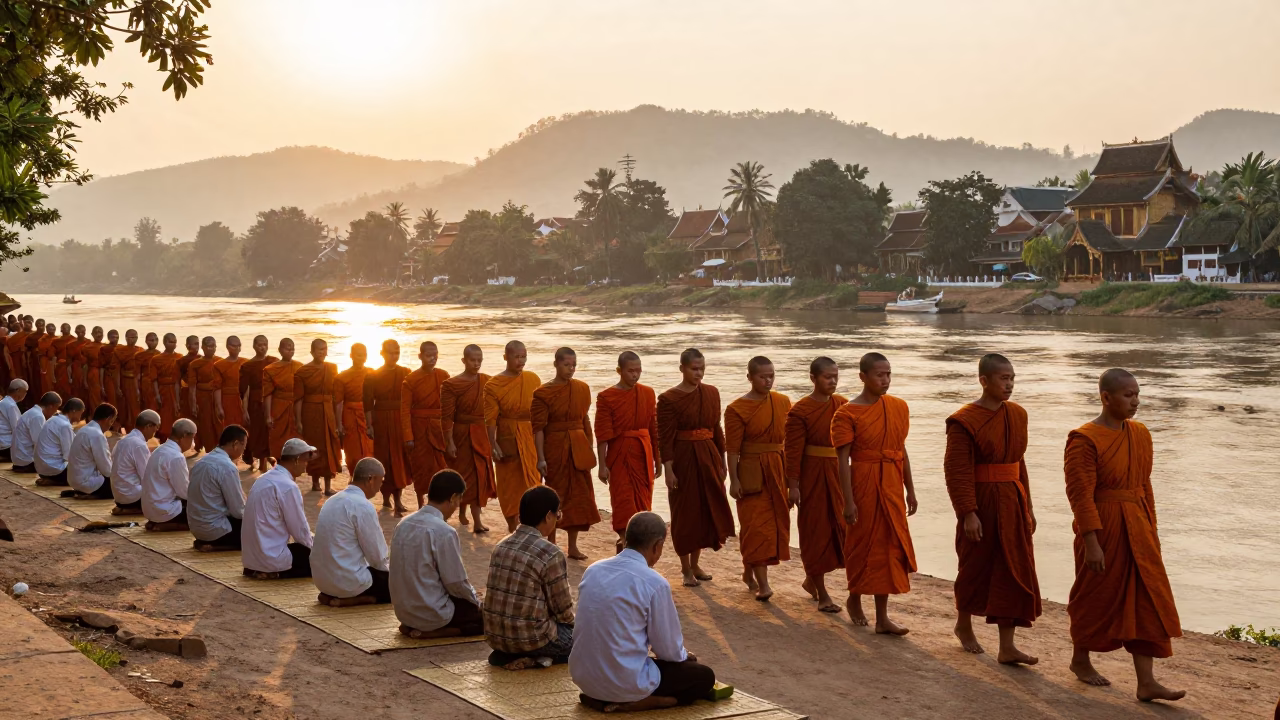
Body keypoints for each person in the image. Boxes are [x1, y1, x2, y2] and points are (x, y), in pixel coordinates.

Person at [1065, 369, 1184, 702]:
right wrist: (1091, 541)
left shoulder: (1141, 433)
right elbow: (1080, 494)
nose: (1135, 401)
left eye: (1137, 394)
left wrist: (1153, 530)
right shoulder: (1084, 438)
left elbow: (1145, 485)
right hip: (1104, 527)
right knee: (1094, 595)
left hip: (1138, 522)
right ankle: (1080, 659)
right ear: (1106, 397)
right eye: (1128, 395)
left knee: (1147, 598)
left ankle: (1146, 682)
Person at [945, 354, 1041, 664]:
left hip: (1012, 499)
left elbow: (1019, 463)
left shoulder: (1018, 415)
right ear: (984, 381)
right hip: (982, 501)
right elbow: (956, 470)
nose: (1009, 384)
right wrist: (967, 512)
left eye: (1012, 378)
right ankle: (963, 624)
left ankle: (1007, 646)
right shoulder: (964, 420)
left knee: (1013, 569)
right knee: (975, 566)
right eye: (1003, 378)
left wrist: (1028, 506)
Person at [571, 512, 716, 713]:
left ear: (625, 539)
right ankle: (646, 702)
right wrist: (684, 655)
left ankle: (602, 698)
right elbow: (668, 651)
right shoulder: (654, 582)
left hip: (584, 678)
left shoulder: (594, 570)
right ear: (658, 545)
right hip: (624, 683)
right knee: (703, 676)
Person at [832, 352, 917, 635]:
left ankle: (883, 618)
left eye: (889, 374)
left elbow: (901, 450)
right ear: (863, 377)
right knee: (863, 546)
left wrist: (911, 490)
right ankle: (855, 595)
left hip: (892, 482)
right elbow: (843, 460)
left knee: (889, 548)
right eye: (879, 375)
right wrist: (848, 501)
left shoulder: (898, 407)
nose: (885, 380)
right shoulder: (847, 413)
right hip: (864, 482)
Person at [657, 348, 734, 588]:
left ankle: (696, 564)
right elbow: (665, 437)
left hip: (708, 456)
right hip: (683, 457)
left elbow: (716, 429)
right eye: (694, 368)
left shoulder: (711, 393)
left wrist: (722, 460)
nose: (698, 373)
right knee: (684, 513)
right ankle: (685, 569)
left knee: (704, 511)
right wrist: (668, 469)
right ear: (682, 368)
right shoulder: (669, 399)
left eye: (702, 369)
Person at [483, 485, 575, 670]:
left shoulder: (501, 546)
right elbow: (563, 611)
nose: (557, 520)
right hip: (532, 637)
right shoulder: (550, 553)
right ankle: (539, 658)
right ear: (549, 515)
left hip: (495, 637)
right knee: (588, 641)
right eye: (557, 515)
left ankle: (516, 655)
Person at [725, 356, 792, 602]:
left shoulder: (783, 402)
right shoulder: (736, 409)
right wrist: (733, 480)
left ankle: (748, 571)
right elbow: (732, 449)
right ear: (750, 377)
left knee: (772, 527)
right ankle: (764, 585)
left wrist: (792, 479)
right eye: (763, 376)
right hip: (751, 473)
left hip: (777, 469)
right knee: (754, 527)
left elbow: (791, 441)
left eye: (772, 375)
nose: (768, 380)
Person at [784, 357, 848, 613]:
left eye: (835, 376)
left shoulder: (843, 405)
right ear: (813, 378)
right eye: (826, 377)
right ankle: (822, 593)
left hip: (838, 474)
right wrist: (793, 485)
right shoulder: (800, 410)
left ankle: (811, 581)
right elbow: (792, 451)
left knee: (841, 529)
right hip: (812, 475)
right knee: (815, 532)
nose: (832, 381)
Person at [391, 469, 484, 638]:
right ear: (453, 497)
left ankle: (413, 626)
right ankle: (434, 632)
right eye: (458, 501)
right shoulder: (444, 531)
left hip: (403, 612)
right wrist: (475, 601)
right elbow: (455, 583)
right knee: (486, 620)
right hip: (432, 614)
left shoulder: (403, 524)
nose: (457, 507)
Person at [532, 347, 599, 560]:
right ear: (556, 364)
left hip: (578, 448)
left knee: (579, 497)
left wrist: (589, 445)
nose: (570, 369)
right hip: (555, 448)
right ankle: (551, 544)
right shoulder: (543, 393)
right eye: (566, 365)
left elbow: (585, 419)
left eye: (573, 365)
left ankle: (572, 546)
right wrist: (540, 457)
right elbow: (538, 428)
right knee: (555, 496)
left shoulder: (582, 388)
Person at [594, 351, 661, 553]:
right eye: (631, 371)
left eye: (638, 371)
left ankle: (636, 548)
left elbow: (654, 429)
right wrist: (602, 466)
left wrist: (658, 459)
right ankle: (625, 543)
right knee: (623, 503)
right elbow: (602, 435)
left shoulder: (648, 393)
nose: (635, 375)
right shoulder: (606, 397)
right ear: (619, 371)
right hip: (620, 455)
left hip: (643, 453)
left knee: (643, 503)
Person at [311, 457, 391, 606]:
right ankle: (359, 599)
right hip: (348, 583)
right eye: (380, 482)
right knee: (399, 585)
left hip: (321, 581)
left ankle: (333, 595)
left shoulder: (332, 500)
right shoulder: (363, 506)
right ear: (371, 479)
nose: (380, 488)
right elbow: (378, 558)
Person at [484, 340, 542, 532]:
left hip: (530, 437)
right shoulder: (493, 385)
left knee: (533, 484)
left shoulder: (533, 379)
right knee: (509, 488)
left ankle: (532, 527)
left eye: (524, 356)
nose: (521, 361)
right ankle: (512, 526)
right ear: (505, 357)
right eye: (516, 357)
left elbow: (540, 412)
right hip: (507, 438)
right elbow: (490, 419)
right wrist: (493, 445)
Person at [242, 437, 315, 579]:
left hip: (251, 559)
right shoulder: (288, 486)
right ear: (296, 460)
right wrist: (315, 550)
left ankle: (262, 569)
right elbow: (300, 531)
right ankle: (274, 572)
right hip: (272, 556)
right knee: (322, 562)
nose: (306, 467)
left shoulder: (263, 479)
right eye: (305, 461)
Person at [441, 344, 496, 533]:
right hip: (462, 434)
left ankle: (477, 521)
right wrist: (449, 441)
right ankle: (458, 511)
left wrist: (494, 439)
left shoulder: (487, 382)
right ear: (464, 360)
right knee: (461, 476)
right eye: (473, 360)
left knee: (480, 477)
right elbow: (447, 416)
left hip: (481, 435)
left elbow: (494, 410)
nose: (476, 363)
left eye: (479, 360)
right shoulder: (452, 384)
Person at [364, 338, 411, 514]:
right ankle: (385, 498)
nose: (394, 356)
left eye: (397, 352)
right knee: (384, 459)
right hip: (381, 420)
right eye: (390, 352)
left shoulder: (405, 373)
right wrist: (369, 425)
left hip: (400, 420)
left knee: (399, 459)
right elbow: (368, 403)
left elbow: (410, 400)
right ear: (382, 353)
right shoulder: (372, 376)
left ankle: (398, 499)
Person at [403, 341, 450, 509]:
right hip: (419, 428)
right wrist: (408, 436)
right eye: (429, 355)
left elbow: (450, 404)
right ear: (420, 356)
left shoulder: (443, 375)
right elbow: (405, 410)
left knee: (441, 468)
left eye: (435, 355)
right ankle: (420, 503)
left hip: (439, 429)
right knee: (420, 468)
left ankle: (439, 502)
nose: (433, 359)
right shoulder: (411, 379)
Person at [188, 424, 249, 551]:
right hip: (217, 531)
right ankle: (217, 546)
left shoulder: (200, 462)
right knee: (260, 533)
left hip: (196, 529)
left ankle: (206, 542)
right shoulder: (227, 467)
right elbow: (238, 511)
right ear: (236, 444)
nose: (244, 450)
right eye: (244, 446)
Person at [293, 338, 342, 495]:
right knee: (313, 447)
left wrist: (337, 418)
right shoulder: (303, 372)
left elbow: (336, 396)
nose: (322, 352)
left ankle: (327, 486)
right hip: (311, 412)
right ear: (312, 352)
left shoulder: (332, 368)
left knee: (329, 447)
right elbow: (298, 398)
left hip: (328, 412)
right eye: (318, 349)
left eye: (324, 349)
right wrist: (299, 420)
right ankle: (315, 482)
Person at [141, 417, 193, 531]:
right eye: (192, 438)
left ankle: (155, 523)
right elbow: (184, 492)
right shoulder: (176, 457)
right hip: (166, 511)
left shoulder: (158, 450)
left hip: (150, 510)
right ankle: (165, 525)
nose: (193, 443)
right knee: (203, 515)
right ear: (184, 437)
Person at [238, 335, 277, 472]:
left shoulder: (273, 362)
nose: (263, 347)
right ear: (254, 346)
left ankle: (268, 458)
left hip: (272, 401)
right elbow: (244, 391)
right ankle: (262, 463)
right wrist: (245, 411)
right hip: (255, 402)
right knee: (258, 433)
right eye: (260, 344)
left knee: (270, 432)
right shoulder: (248, 366)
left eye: (265, 344)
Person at [111, 409, 160, 516]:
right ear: (148, 426)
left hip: (119, 496)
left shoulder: (123, 440)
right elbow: (147, 477)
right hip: (132, 497)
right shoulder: (139, 445)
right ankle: (134, 508)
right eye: (155, 429)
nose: (154, 433)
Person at [65, 402, 117, 500]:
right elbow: (107, 470)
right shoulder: (97, 435)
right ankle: (92, 494)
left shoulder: (83, 430)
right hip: (87, 482)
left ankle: (83, 492)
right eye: (112, 421)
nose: (111, 425)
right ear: (108, 419)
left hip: (74, 481)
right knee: (121, 487)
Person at [263, 338, 302, 462]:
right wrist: (268, 415)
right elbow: (268, 394)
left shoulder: (300, 367)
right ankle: (278, 464)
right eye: (287, 348)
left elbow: (302, 392)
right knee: (277, 439)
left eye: (292, 348)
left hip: (295, 407)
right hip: (279, 407)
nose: (290, 351)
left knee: (295, 441)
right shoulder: (271, 369)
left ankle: (293, 468)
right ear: (280, 350)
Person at [335, 342, 372, 475]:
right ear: (351, 356)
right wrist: (339, 424)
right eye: (358, 355)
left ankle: (368, 475)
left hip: (367, 414)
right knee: (352, 450)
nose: (361, 358)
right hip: (349, 415)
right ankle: (353, 474)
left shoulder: (371, 373)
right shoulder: (342, 377)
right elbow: (339, 402)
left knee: (369, 448)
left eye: (364, 355)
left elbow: (376, 398)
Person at [187, 336, 222, 455]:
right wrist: (193, 403)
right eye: (208, 346)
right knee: (206, 425)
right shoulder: (195, 364)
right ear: (202, 347)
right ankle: (210, 451)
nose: (211, 348)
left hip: (218, 397)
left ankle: (221, 450)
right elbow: (192, 386)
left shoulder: (220, 362)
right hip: (202, 397)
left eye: (213, 346)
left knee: (219, 424)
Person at [12, 391, 58, 473]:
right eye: (56, 408)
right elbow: (41, 444)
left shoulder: (33, 412)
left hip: (20, 460)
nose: (55, 412)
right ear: (51, 406)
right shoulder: (38, 416)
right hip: (26, 462)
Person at [34, 395, 76, 486]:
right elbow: (68, 456)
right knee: (84, 472)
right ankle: (55, 480)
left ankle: (51, 479)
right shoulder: (65, 425)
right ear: (74, 411)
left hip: (41, 470)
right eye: (81, 413)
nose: (80, 417)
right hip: (55, 471)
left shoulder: (52, 419)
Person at [213, 336, 246, 432]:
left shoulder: (246, 363)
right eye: (234, 346)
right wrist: (219, 407)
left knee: (244, 427)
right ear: (227, 347)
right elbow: (217, 387)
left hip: (243, 400)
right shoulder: (219, 365)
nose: (237, 348)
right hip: (227, 400)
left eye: (239, 345)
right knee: (229, 427)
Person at [115, 329, 142, 434]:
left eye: (135, 337)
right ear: (126, 338)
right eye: (131, 337)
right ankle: (127, 427)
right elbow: (116, 370)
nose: (133, 339)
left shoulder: (140, 350)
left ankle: (137, 428)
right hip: (125, 382)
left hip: (137, 383)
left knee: (136, 407)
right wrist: (117, 386)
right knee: (125, 407)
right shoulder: (120, 351)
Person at [0, 379, 29, 462]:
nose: (26, 394)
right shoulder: (11, 405)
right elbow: (17, 429)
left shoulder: (4, 402)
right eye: (25, 391)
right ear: (18, 390)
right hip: (6, 446)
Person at [98, 329, 122, 428]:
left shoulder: (122, 349)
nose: (115, 339)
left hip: (120, 376)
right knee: (112, 400)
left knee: (121, 401)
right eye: (113, 337)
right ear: (108, 338)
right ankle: (112, 423)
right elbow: (102, 367)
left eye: (117, 337)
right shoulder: (104, 349)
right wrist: (102, 385)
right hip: (109, 376)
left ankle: (120, 423)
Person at [135, 332, 161, 413]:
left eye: (155, 340)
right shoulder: (140, 355)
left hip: (158, 384)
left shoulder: (160, 354)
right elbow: (137, 374)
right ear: (146, 341)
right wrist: (137, 390)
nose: (153, 342)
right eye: (151, 340)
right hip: (146, 384)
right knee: (147, 406)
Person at [176, 335, 200, 426]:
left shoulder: (202, 359)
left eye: (198, 344)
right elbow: (177, 381)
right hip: (186, 392)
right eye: (195, 344)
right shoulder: (181, 361)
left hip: (200, 392)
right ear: (187, 346)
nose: (197, 346)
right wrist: (177, 400)